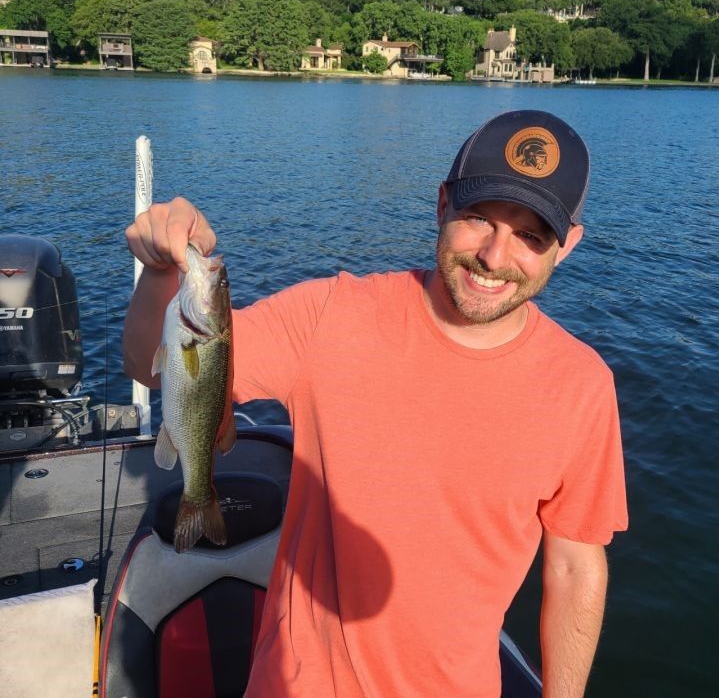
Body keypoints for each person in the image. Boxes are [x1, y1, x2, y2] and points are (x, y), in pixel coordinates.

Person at [123, 109, 628, 698]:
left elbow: (574, 564)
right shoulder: (331, 316)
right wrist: (160, 271)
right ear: (442, 205)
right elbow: (149, 366)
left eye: (531, 236)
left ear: (567, 246)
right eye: (478, 218)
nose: (495, 256)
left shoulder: (581, 386)